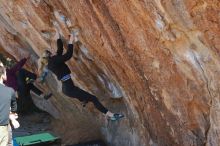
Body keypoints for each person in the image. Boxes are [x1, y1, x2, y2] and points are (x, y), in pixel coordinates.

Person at [38, 30, 124, 121]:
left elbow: (59, 50)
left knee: (83, 96)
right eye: (51, 51)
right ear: (50, 55)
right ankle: (111, 115)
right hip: (69, 89)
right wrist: (71, 40)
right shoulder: (53, 61)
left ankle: (83, 100)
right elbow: (68, 55)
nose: (53, 50)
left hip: (68, 88)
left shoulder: (52, 61)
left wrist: (58, 37)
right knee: (94, 99)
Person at [0, 64, 18, 146]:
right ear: (3, 76)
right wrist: (12, 116)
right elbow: (13, 109)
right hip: (3, 127)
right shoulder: (10, 91)